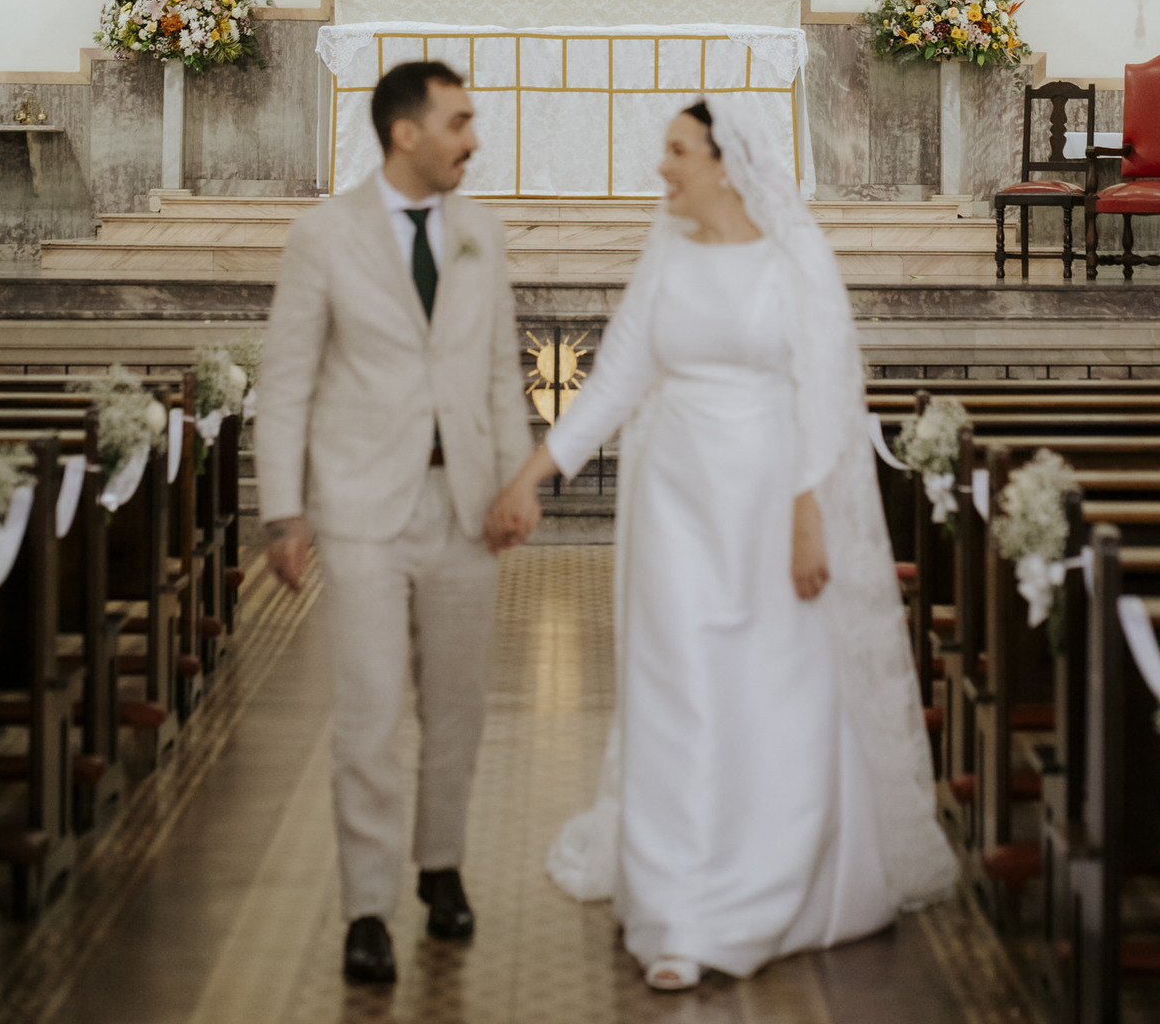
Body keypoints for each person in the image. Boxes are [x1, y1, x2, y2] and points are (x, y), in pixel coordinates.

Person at [485, 93, 956, 992]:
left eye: (676, 151)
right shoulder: (666, 257)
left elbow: (825, 393)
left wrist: (808, 514)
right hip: (673, 508)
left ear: (726, 163)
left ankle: (772, 882)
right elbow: (617, 375)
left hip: (769, 502)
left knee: (773, 689)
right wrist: (530, 476)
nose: (662, 167)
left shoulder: (793, 259)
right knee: (678, 688)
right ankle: (676, 910)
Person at [255, 61, 531, 986]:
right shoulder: (323, 236)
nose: (473, 138)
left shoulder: (485, 234)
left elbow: (500, 372)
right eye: (459, 121)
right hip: (363, 509)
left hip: (463, 507)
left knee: (456, 707)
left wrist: (515, 479)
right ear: (405, 132)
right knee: (370, 713)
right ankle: (366, 906)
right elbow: (287, 380)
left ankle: (440, 866)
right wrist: (283, 511)